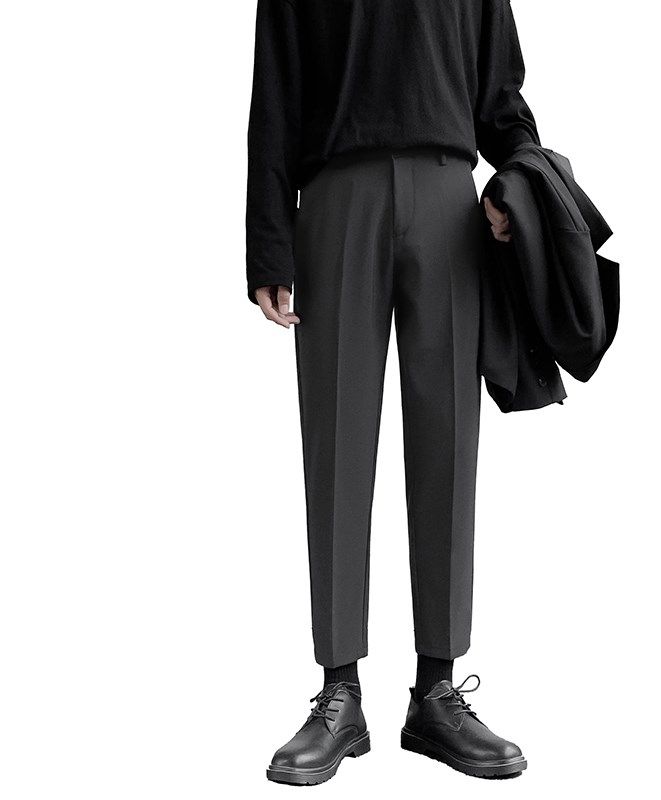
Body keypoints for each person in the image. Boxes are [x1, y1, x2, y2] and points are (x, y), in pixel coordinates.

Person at [247, 0, 538, 784]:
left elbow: (501, 98)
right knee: (337, 445)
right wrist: (268, 244)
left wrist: (518, 185)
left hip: (450, 202)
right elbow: (275, 97)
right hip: (335, 197)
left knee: (448, 441)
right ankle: (339, 693)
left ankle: (436, 691)